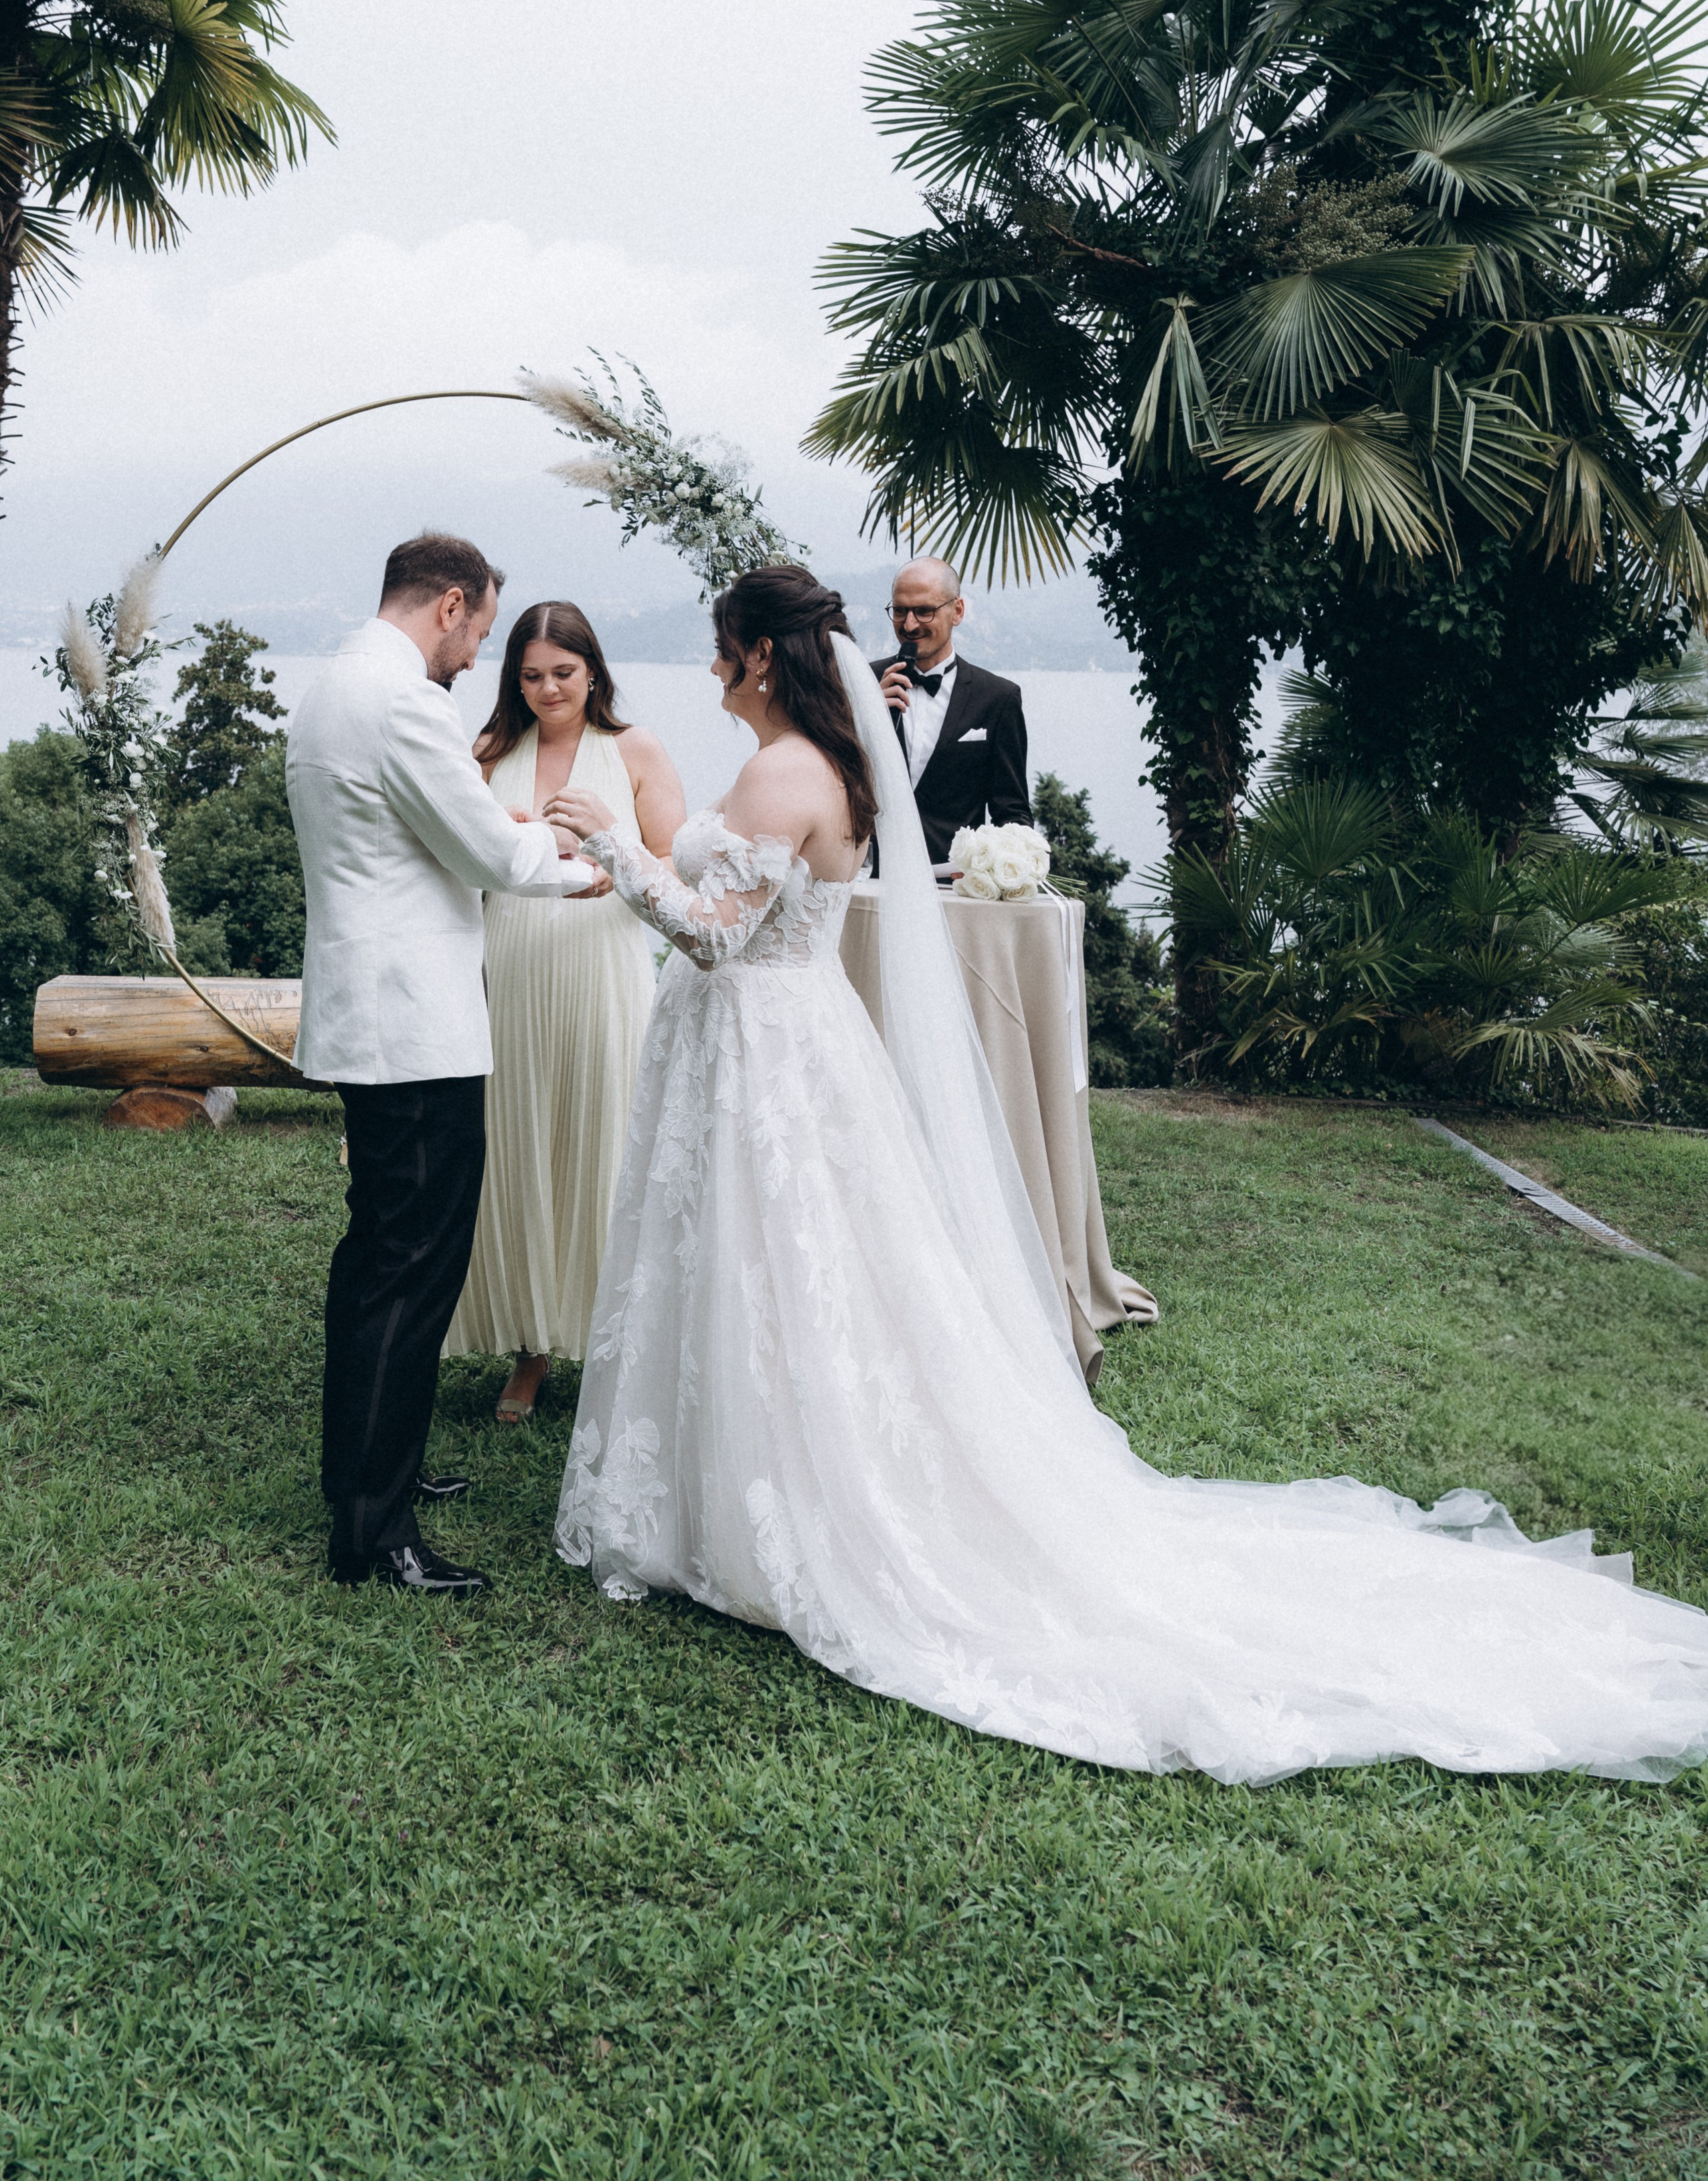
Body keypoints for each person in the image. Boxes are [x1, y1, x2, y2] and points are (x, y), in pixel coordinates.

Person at [545, 561, 1708, 1785]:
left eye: (724, 646)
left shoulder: (786, 772)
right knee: (778, 1274)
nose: (714, 666)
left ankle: (773, 1514)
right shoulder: (804, 766)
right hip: (772, 1057)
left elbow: (719, 937)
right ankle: (733, 1493)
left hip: (767, 1057)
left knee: (776, 1266)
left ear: (765, 656)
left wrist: (620, 848)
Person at [286, 532, 591, 1599]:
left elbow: (411, 835)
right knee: (410, 1270)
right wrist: (592, 866)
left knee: (380, 1256)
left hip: (370, 1018)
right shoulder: (405, 700)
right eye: (481, 632)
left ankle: (374, 1472)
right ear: (451, 604)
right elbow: (493, 855)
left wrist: (506, 835)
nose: (478, 659)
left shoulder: (332, 685)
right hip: (414, 1031)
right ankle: (373, 1534)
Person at [443, 601, 685, 1422]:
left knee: (606, 1147)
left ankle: (623, 1347)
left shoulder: (635, 750)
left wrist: (622, 863)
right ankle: (529, 1347)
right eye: (532, 675)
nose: (549, 690)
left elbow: (676, 865)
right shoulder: (486, 752)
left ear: (594, 672)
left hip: (601, 967)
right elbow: (453, 861)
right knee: (519, 1149)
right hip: (509, 967)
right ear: (514, 679)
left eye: (564, 674)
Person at [872, 555, 1030, 868]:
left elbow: (1012, 813)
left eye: (925, 611)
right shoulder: (861, 683)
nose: (910, 624)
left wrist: (1001, 872)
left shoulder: (998, 698)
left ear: (957, 611)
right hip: (868, 880)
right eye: (900, 611)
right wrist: (867, 715)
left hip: (953, 889)